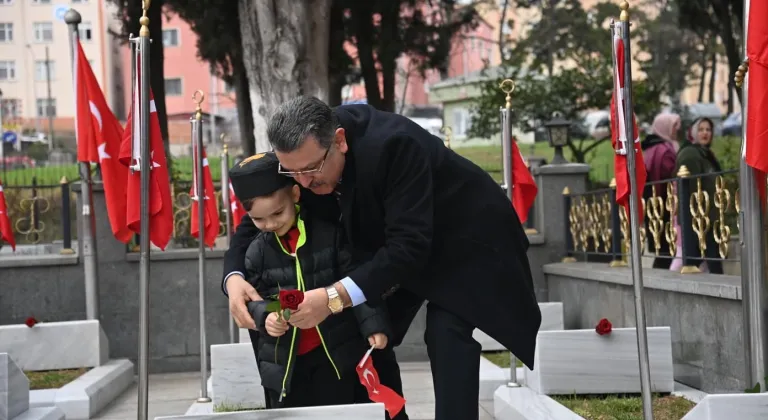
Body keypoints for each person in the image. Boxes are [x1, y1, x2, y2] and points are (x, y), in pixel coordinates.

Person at [223, 97, 541, 420]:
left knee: (446, 332)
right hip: (400, 246)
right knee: (371, 328)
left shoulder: (394, 146)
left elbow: (408, 248)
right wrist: (234, 278)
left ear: (340, 141)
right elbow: (255, 221)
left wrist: (333, 297)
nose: (302, 183)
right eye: (292, 172)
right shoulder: (303, 158)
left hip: (463, 241)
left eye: (311, 170)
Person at [228, 152, 394, 409]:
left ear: (295, 195)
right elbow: (257, 300)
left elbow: (356, 281)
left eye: (277, 213)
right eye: (258, 219)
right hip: (285, 361)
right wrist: (266, 316)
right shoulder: (256, 252)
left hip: (333, 354)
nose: (270, 224)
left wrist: (374, 325)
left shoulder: (330, 235)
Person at [671, 117, 724, 274]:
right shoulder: (691, 154)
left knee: (708, 261)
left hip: (707, 217)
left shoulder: (704, 153)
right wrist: (697, 214)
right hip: (698, 219)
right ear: (693, 133)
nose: (705, 133)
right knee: (704, 261)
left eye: (708, 130)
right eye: (701, 129)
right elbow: (690, 188)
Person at [641, 113, 680, 269]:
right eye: (673, 127)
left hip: (653, 206)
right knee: (667, 250)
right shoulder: (664, 151)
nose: (676, 130)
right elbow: (671, 175)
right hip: (665, 207)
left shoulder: (651, 148)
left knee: (664, 250)